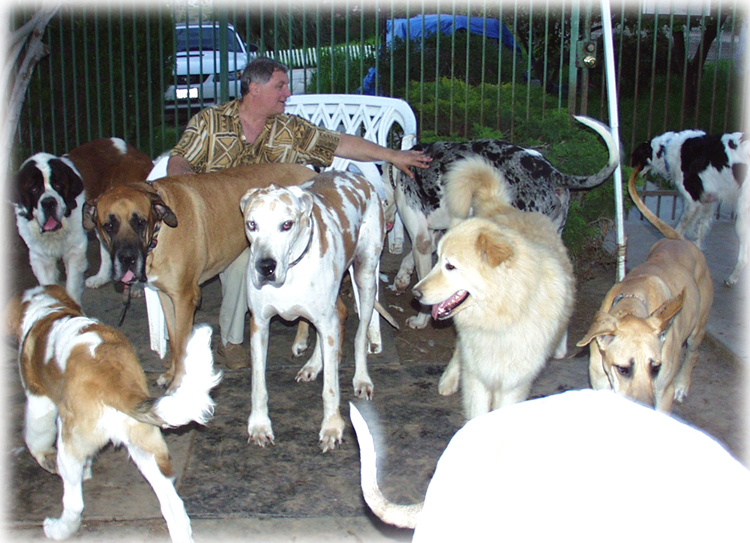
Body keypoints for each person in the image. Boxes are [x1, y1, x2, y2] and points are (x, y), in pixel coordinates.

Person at [168, 57, 431, 369]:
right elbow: (179, 160)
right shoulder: (209, 122)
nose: (287, 93)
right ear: (254, 88)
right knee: (242, 264)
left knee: (266, 253)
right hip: (218, 225)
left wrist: (391, 155)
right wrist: (184, 186)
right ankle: (233, 342)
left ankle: (314, 314)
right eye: (279, 86)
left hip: (276, 226)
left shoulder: (289, 129)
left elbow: (340, 144)